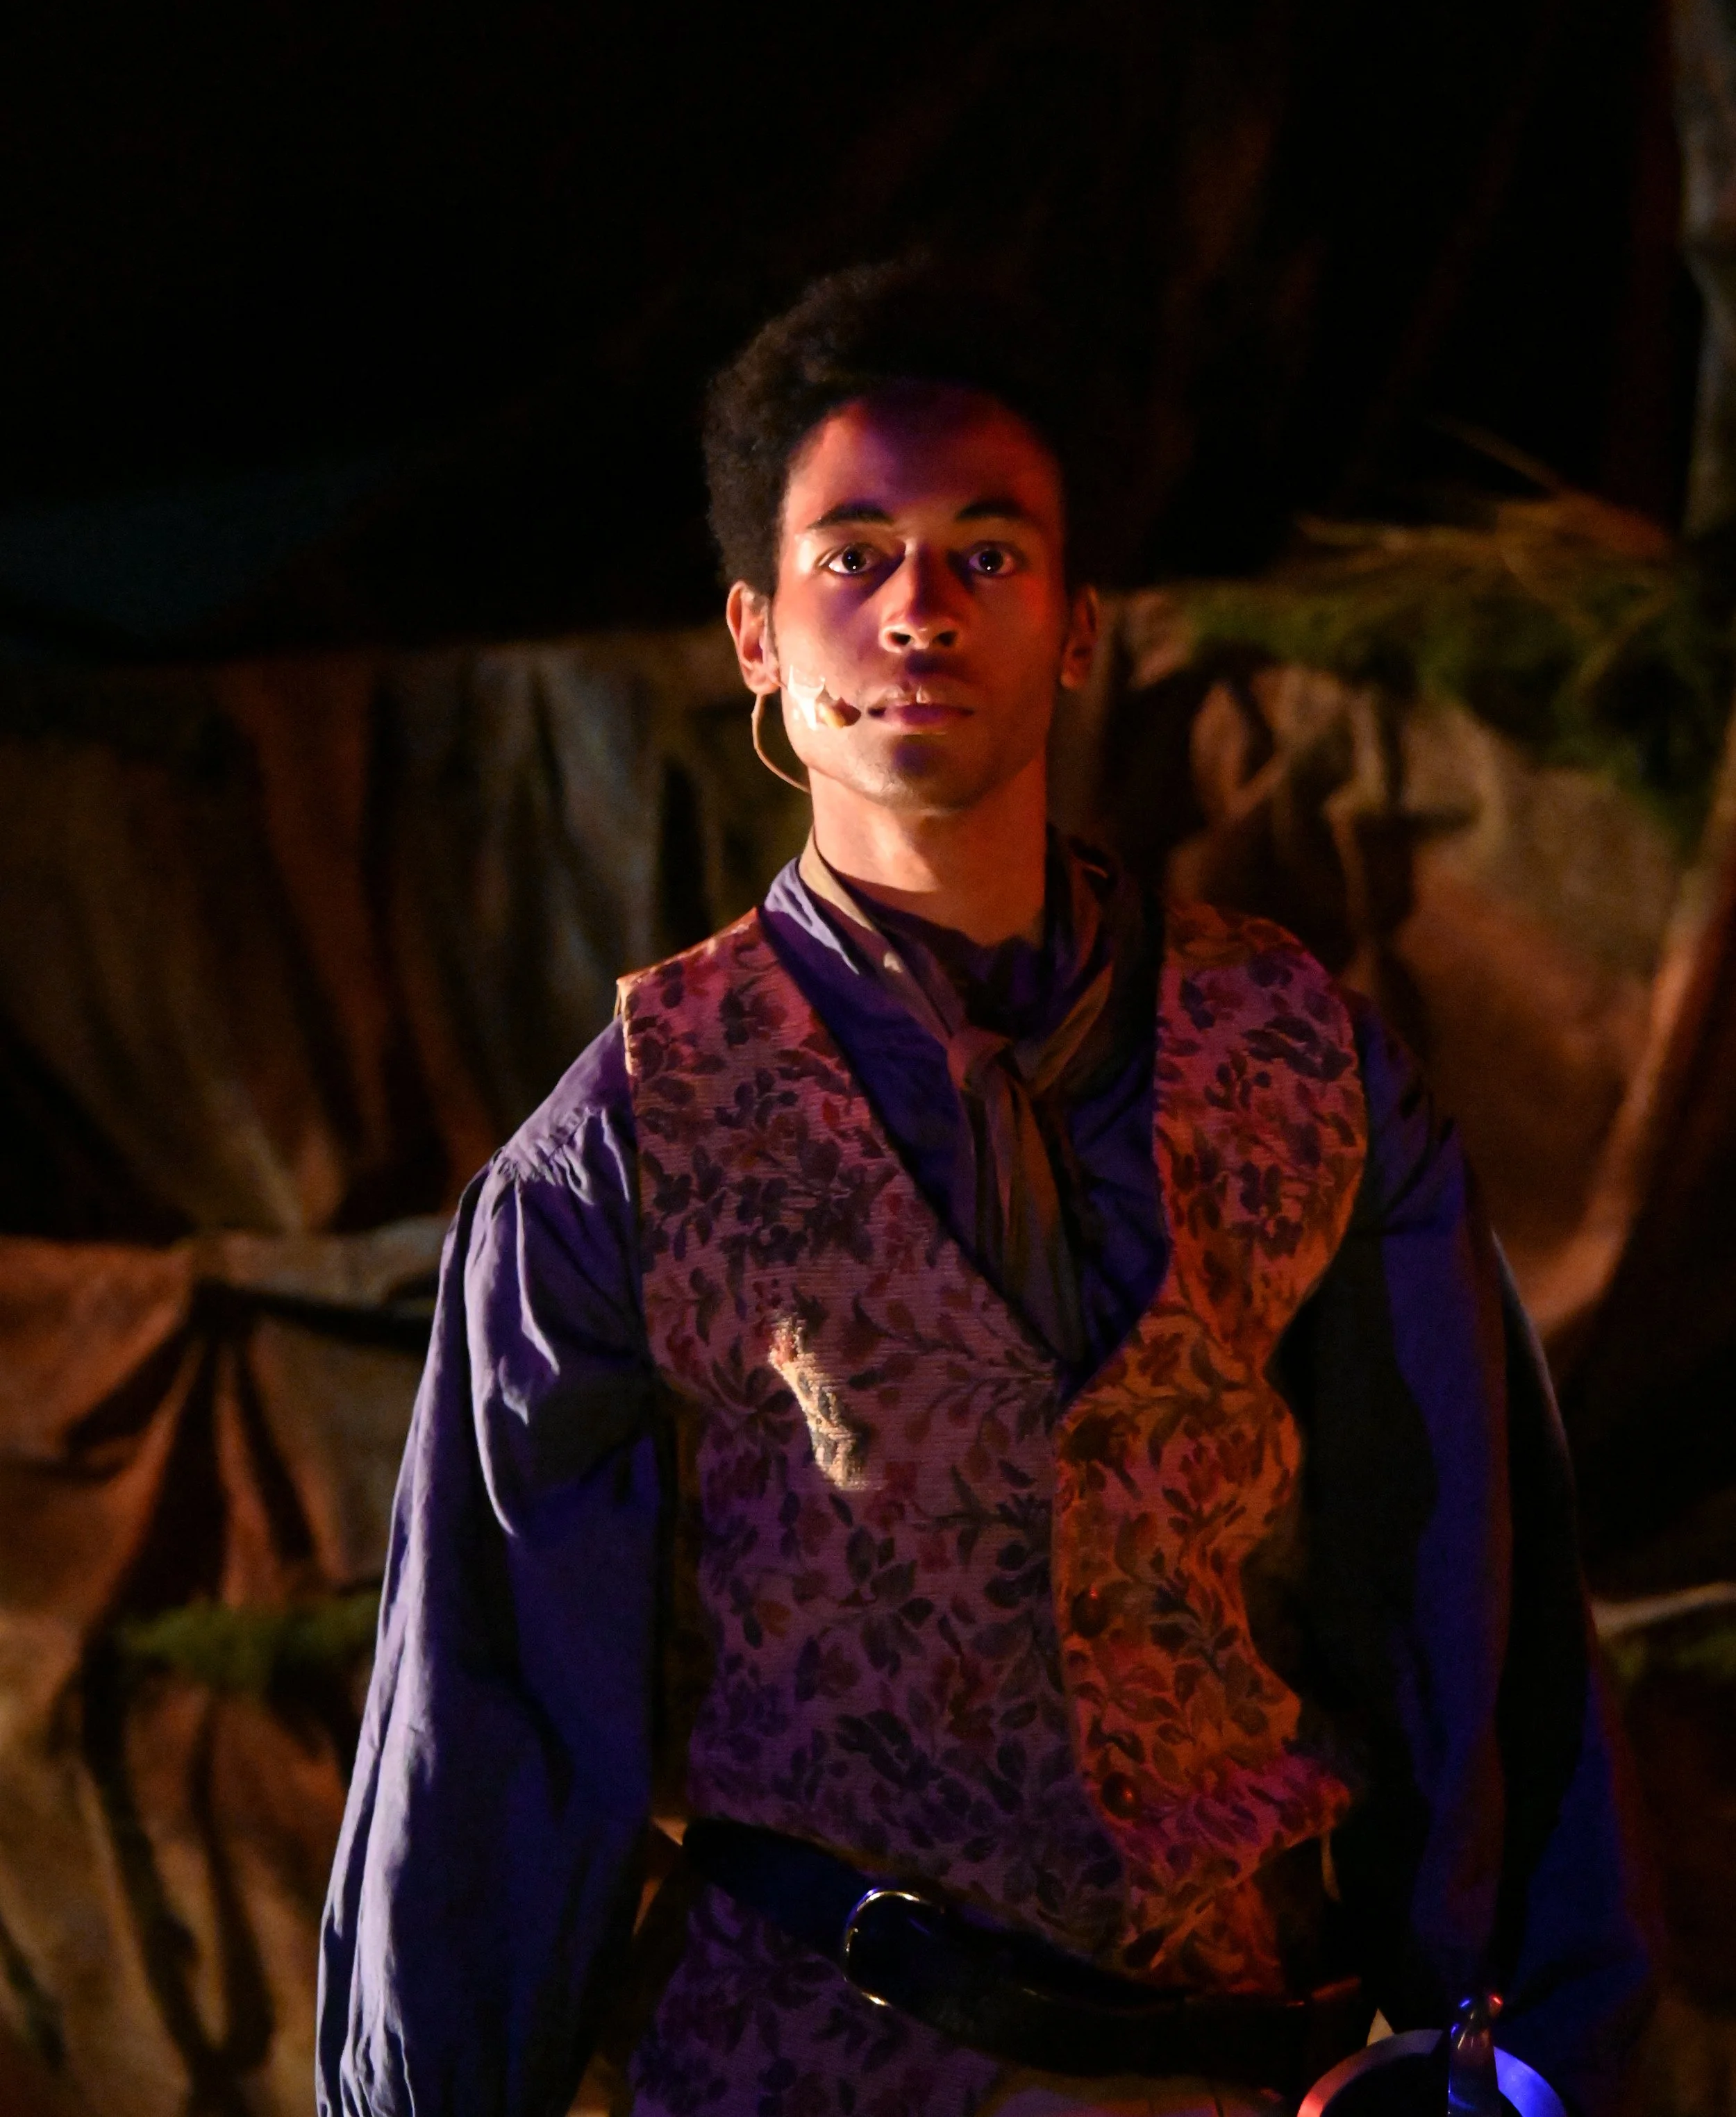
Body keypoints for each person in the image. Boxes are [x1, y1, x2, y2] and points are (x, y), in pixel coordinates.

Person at [317, 262, 1653, 2117]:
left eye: (987, 553)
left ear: (1078, 625)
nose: (919, 607)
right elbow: (493, 1725)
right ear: (754, 632)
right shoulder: (624, 1147)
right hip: (803, 2069)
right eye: (852, 555)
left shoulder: (1300, 1066)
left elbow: (1463, 1598)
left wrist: (1499, 2050)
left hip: (1235, 2068)